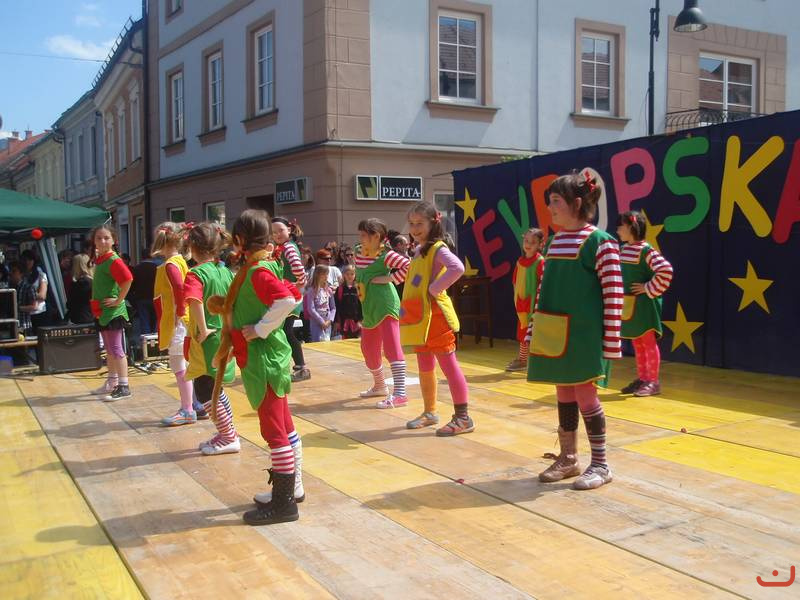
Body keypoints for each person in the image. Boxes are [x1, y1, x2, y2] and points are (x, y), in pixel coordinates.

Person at [527, 171, 622, 490]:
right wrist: (534, 328)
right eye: (550, 201)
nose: (550, 208)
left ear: (577, 203)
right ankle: (568, 458)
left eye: (556, 201)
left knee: (585, 394)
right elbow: (544, 290)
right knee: (564, 391)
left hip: (585, 335)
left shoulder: (600, 242)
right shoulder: (555, 241)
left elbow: (614, 294)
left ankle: (601, 464)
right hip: (555, 333)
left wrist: (611, 341)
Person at [217, 209, 302, 525]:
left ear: (240, 240)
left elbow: (287, 301)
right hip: (266, 359)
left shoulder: (257, 271)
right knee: (284, 427)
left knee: (275, 432)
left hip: (264, 360)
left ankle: (283, 504)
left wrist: (261, 328)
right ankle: (289, 492)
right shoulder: (260, 267)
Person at [400, 202, 474, 434]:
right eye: (412, 224)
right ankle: (430, 412)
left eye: (419, 223)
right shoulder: (419, 249)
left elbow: (457, 268)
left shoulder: (438, 249)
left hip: (436, 317)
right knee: (424, 365)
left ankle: (463, 417)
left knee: (449, 366)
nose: (415, 228)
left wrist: (433, 289)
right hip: (420, 317)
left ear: (433, 223)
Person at [183, 222, 241, 455]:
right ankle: (228, 432)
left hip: (208, 339)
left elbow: (195, 301)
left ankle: (229, 436)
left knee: (205, 390)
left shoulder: (196, 273)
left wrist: (203, 328)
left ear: (192, 247)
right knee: (216, 387)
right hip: (225, 335)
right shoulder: (225, 271)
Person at [616, 211, 673, 397]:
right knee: (637, 342)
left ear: (631, 228)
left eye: (621, 226)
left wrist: (648, 288)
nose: (618, 230)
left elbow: (666, 270)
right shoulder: (624, 249)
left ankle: (653, 381)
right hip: (630, 306)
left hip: (644, 306)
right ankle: (643, 378)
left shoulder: (646, 251)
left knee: (647, 342)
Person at [355, 218, 410, 408]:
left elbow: (409, 266)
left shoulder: (387, 255)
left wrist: (389, 279)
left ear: (376, 236)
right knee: (368, 349)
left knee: (392, 347)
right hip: (368, 305)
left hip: (386, 304)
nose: (360, 238)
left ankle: (400, 394)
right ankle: (379, 385)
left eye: (364, 235)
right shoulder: (358, 251)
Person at [151, 222, 195, 426]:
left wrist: (179, 312)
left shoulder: (170, 264)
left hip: (177, 321)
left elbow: (179, 288)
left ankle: (187, 409)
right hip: (181, 318)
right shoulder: (179, 261)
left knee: (179, 364)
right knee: (184, 363)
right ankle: (193, 405)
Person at [89, 225, 134, 401]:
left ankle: (124, 386)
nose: (102, 241)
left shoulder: (113, 260)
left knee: (116, 349)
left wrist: (118, 300)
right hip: (103, 311)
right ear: (94, 241)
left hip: (113, 312)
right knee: (109, 349)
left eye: (106, 238)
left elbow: (128, 279)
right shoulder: (101, 260)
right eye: (99, 238)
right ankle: (112, 381)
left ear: (114, 240)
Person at [271, 216, 310, 382]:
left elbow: (299, 269)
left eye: (280, 230)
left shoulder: (288, 248)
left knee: (286, 331)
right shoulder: (282, 247)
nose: (277, 234)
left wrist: (297, 283)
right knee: (284, 331)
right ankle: (291, 366)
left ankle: (301, 367)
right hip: (286, 296)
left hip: (290, 297)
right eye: (273, 232)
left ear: (289, 229)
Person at [506, 228, 545, 372]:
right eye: (526, 241)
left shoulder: (540, 262)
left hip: (534, 306)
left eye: (533, 242)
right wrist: (518, 301)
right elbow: (515, 281)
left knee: (533, 334)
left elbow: (543, 283)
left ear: (540, 244)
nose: (528, 244)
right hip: (522, 305)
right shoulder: (520, 262)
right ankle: (523, 359)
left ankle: (532, 361)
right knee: (523, 332)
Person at [129, 250, 160, 341]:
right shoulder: (157, 268)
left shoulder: (137, 269)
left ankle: (146, 342)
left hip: (141, 298)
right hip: (155, 297)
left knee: (144, 321)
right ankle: (155, 341)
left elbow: (132, 285)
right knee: (155, 320)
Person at [304, 264, 335, 342]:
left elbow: (333, 308)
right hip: (316, 323)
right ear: (317, 275)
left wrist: (330, 320)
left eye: (327, 274)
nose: (326, 276)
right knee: (318, 342)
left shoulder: (328, 290)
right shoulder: (312, 290)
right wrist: (321, 322)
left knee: (327, 342)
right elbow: (311, 309)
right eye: (323, 274)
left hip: (327, 323)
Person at [20, 249, 48, 332]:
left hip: (39, 312)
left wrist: (28, 293)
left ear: (34, 261)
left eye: (30, 260)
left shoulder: (40, 274)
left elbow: (42, 296)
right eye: (25, 260)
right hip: (24, 314)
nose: (27, 262)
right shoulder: (20, 274)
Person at [334, 264, 362, 339]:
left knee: (356, 342)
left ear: (355, 275)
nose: (350, 276)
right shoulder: (340, 289)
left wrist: (360, 320)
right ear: (344, 275)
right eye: (347, 274)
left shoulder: (358, 288)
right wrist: (336, 321)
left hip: (356, 322)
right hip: (343, 322)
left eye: (352, 274)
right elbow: (336, 306)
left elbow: (361, 305)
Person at [67, 253, 94, 324]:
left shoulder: (79, 283)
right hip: (93, 317)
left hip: (80, 319)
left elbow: (70, 304)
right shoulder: (93, 282)